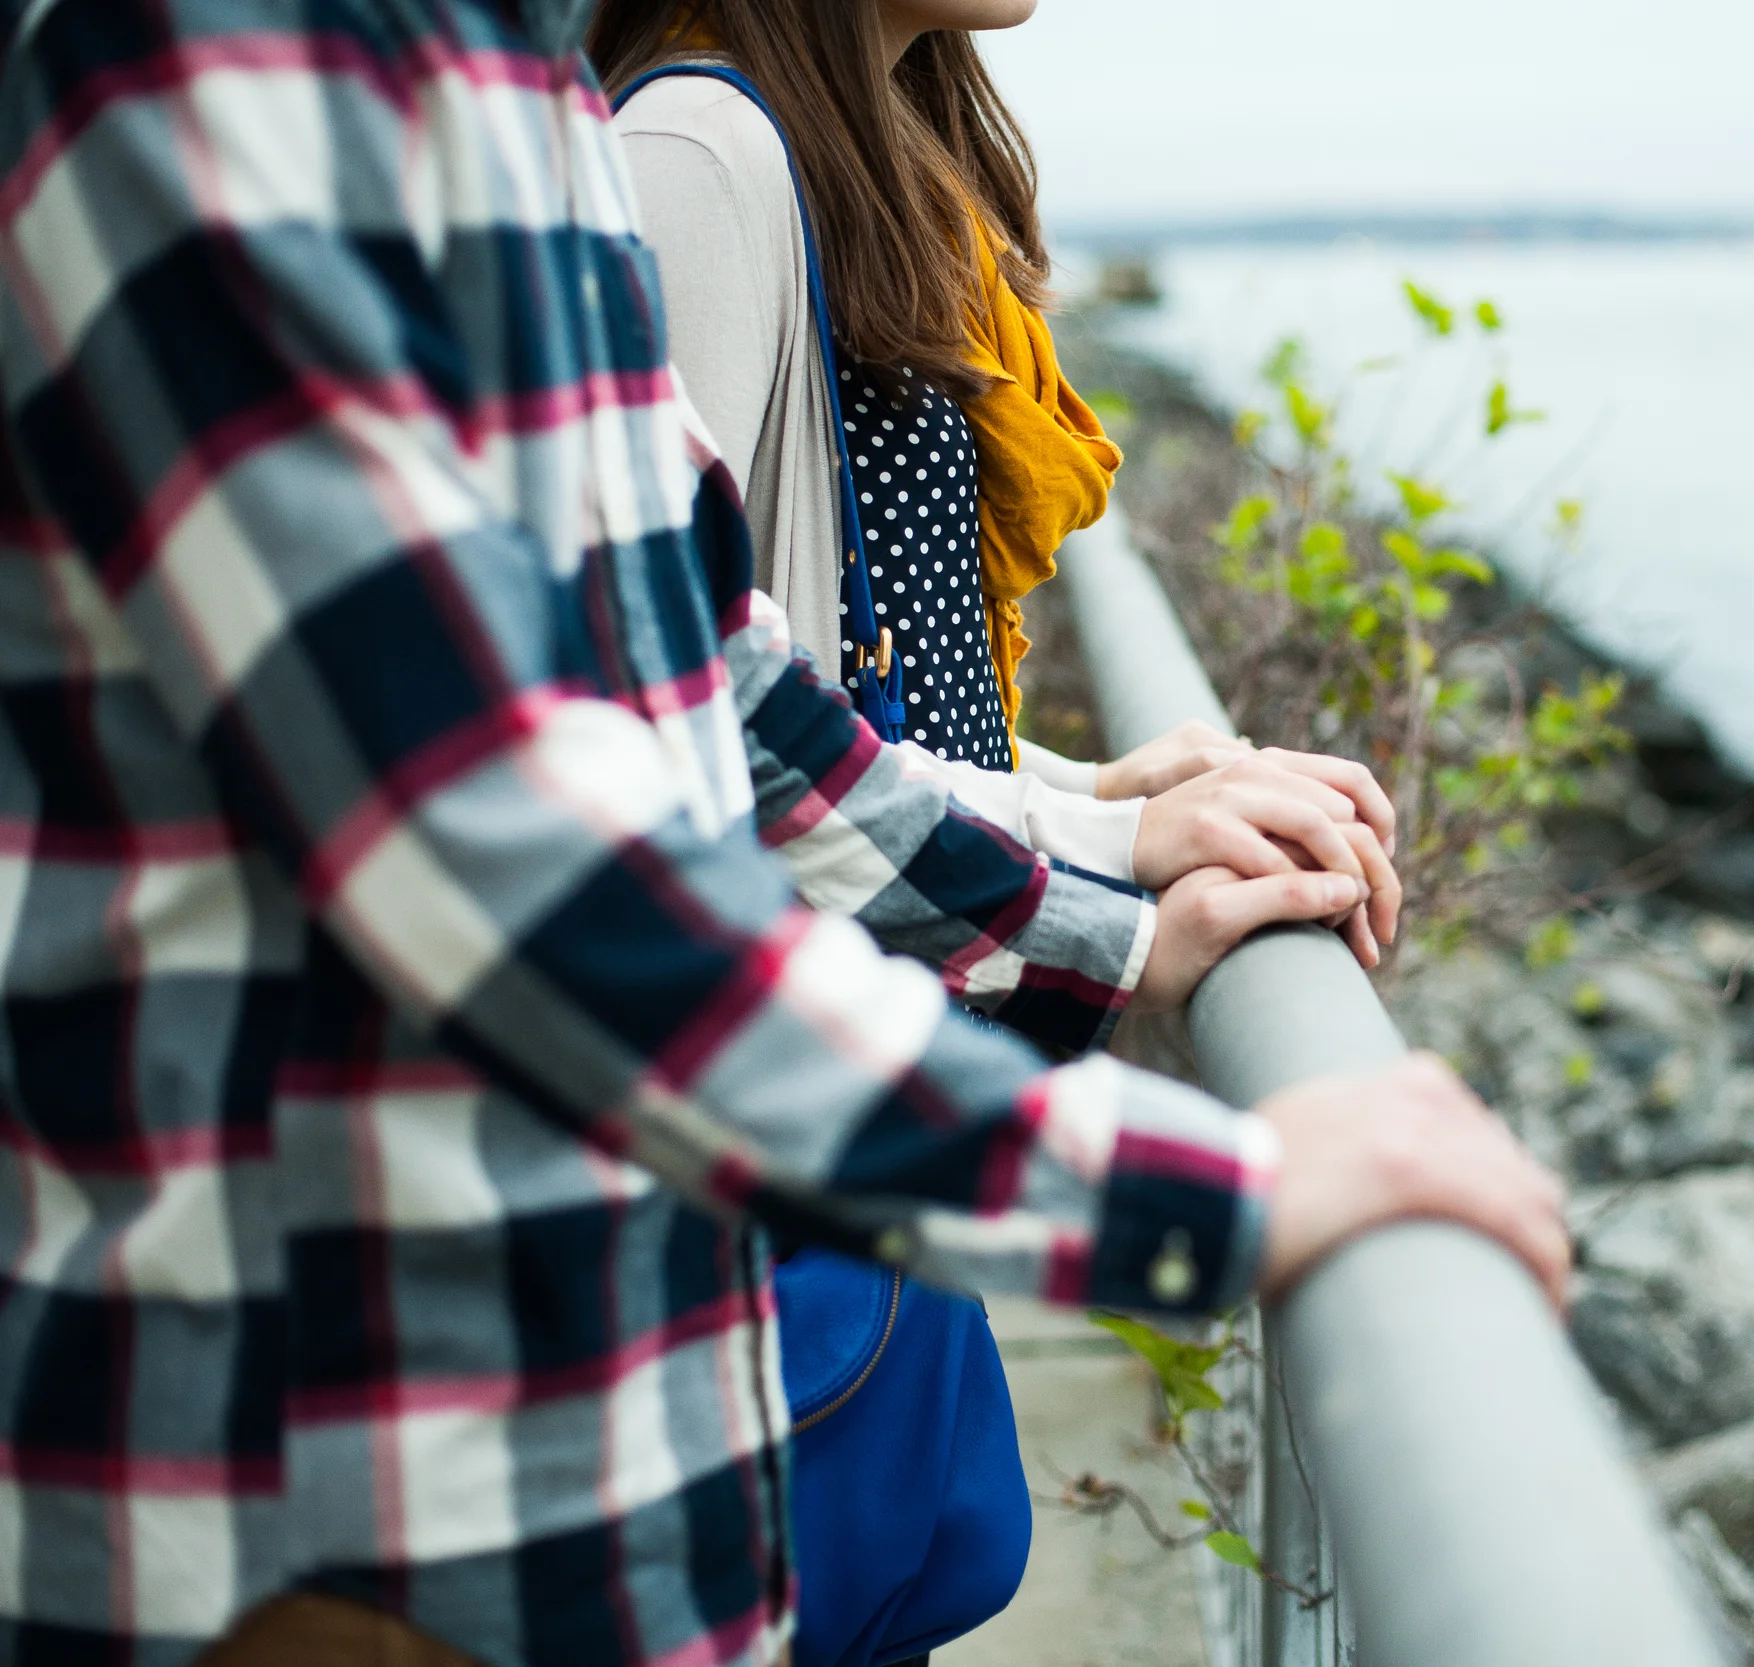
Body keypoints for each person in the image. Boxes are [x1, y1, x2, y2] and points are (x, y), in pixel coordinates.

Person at [0, 7, 1568, 1667]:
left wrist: (1106, 905)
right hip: (337, 1486)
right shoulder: (227, 62)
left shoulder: (498, 84)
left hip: (597, 1459)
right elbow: (511, 854)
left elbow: (714, 691)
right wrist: (1202, 1191)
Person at [586, 1, 1411, 964]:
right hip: (817, 1034)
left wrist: (1083, 789)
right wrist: (1111, 851)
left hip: (908, 971)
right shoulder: (695, 155)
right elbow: (671, 712)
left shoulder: (845, 155)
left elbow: (868, 681)